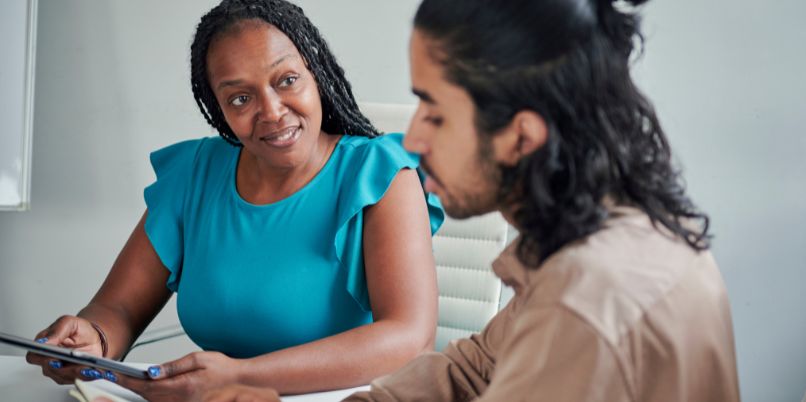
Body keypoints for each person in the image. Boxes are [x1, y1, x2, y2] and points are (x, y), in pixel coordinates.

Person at [195, 0, 744, 400]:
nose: (412, 139)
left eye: (434, 111)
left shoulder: (586, 303)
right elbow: (474, 369)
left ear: (520, 136)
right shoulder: (600, 235)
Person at [26, 0, 443, 399]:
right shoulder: (195, 175)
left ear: (317, 74)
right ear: (218, 109)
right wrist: (92, 339)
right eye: (240, 98)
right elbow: (118, 307)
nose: (272, 111)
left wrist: (242, 377)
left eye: (287, 80)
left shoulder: (378, 175)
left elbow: (410, 336)